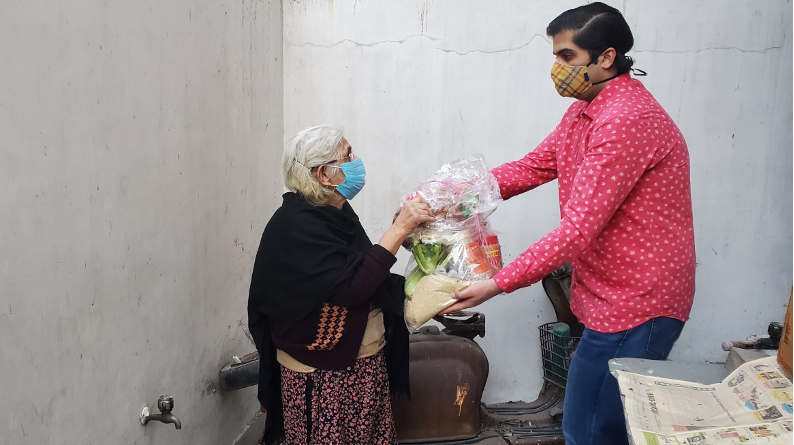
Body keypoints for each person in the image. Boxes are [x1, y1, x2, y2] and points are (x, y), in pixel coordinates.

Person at [442, 3, 696, 444]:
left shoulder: (627, 120)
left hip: (638, 300)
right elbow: (531, 167)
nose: (557, 68)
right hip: (609, 295)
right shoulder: (583, 112)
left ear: (606, 57)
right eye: (556, 56)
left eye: (567, 57)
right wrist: (446, 199)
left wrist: (497, 283)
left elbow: (578, 229)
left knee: (591, 429)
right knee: (593, 424)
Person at [247, 125, 434, 444]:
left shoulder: (335, 212)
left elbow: (360, 265)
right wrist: (399, 229)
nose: (356, 160)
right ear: (323, 174)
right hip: (323, 378)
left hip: (360, 366)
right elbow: (352, 288)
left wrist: (405, 238)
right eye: (347, 156)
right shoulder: (295, 227)